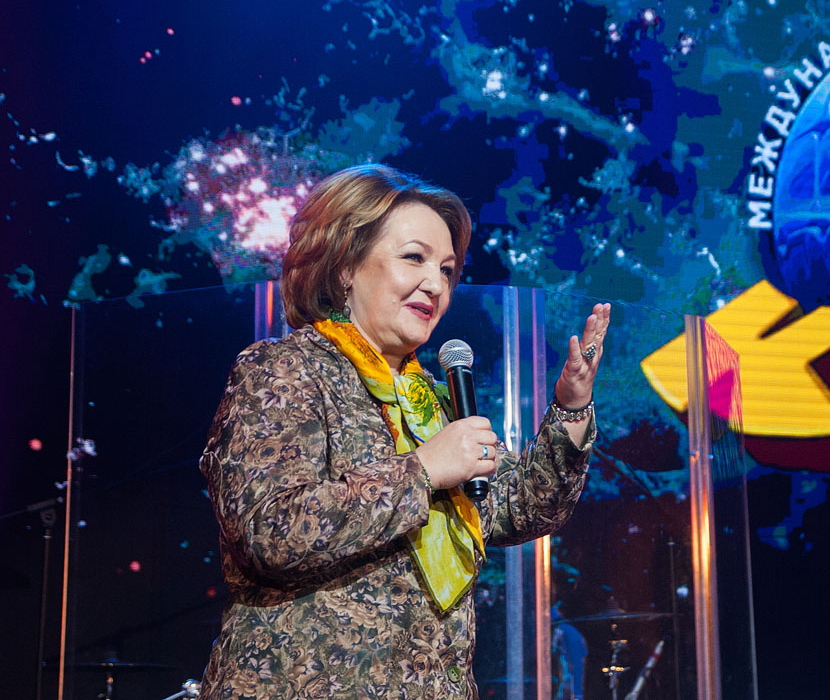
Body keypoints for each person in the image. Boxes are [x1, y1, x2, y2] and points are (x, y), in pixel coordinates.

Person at [198, 164, 610, 699]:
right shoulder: (283, 370)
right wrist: (423, 471)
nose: (436, 284)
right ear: (345, 266)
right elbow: (270, 531)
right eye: (415, 258)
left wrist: (572, 406)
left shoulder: (431, 402)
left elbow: (525, 507)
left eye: (447, 269)